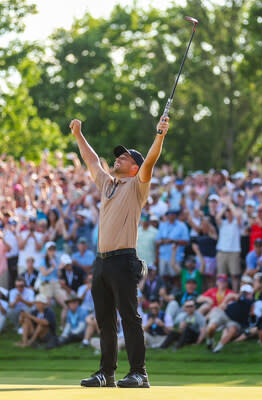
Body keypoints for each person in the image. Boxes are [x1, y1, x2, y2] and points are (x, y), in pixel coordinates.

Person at [70, 116, 169, 388]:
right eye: (118, 157)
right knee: (105, 320)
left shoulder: (138, 185)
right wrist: (79, 134)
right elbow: (91, 160)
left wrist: (159, 136)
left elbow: (149, 162)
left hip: (125, 259)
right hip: (101, 262)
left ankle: (139, 372)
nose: (117, 160)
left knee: (130, 318)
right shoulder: (108, 184)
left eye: (123, 158)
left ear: (134, 167)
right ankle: (107, 373)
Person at [215, 199, 242, 292]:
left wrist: (230, 204)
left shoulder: (237, 223)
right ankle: (221, 293)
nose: (229, 213)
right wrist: (225, 206)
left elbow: (238, 216)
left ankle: (234, 292)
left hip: (234, 251)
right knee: (221, 276)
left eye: (230, 212)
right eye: (227, 212)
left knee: (234, 275)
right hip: (222, 251)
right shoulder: (223, 223)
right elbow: (217, 217)